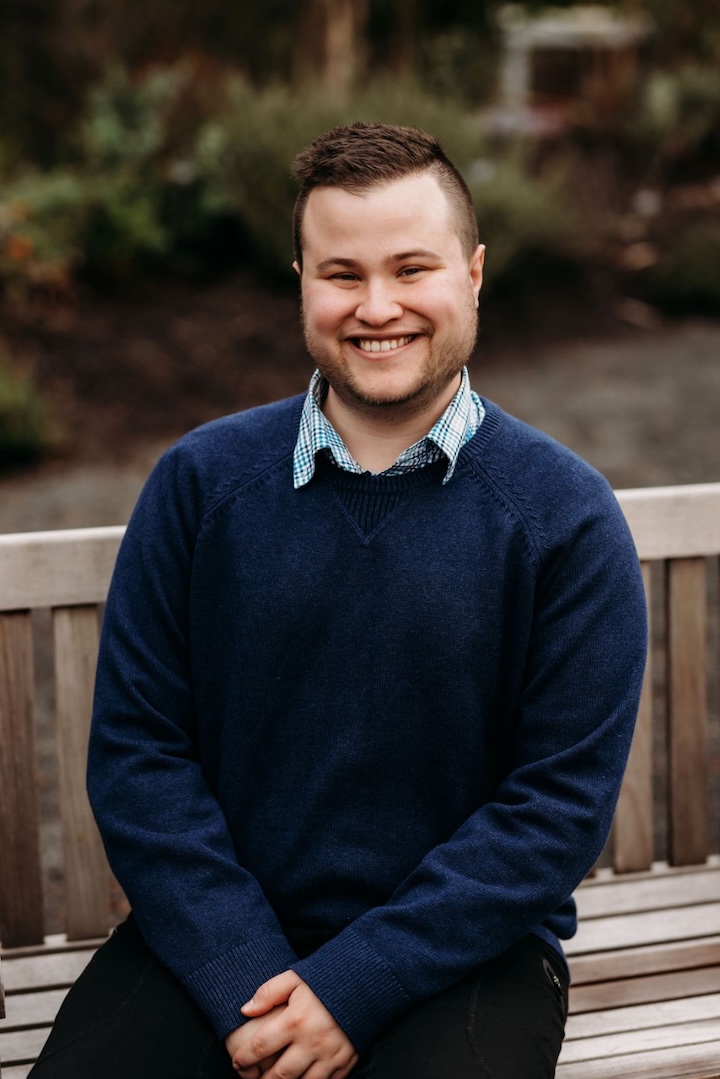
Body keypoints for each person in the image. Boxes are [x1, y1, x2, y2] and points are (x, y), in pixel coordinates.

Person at [29, 122, 647, 1079]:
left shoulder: (564, 517)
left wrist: (353, 985)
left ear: (474, 274)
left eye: (412, 268)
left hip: (467, 951)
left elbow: (553, 810)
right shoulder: (201, 484)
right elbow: (140, 756)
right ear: (301, 281)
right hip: (215, 935)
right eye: (341, 273)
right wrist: (247, 975)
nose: (378, 306)